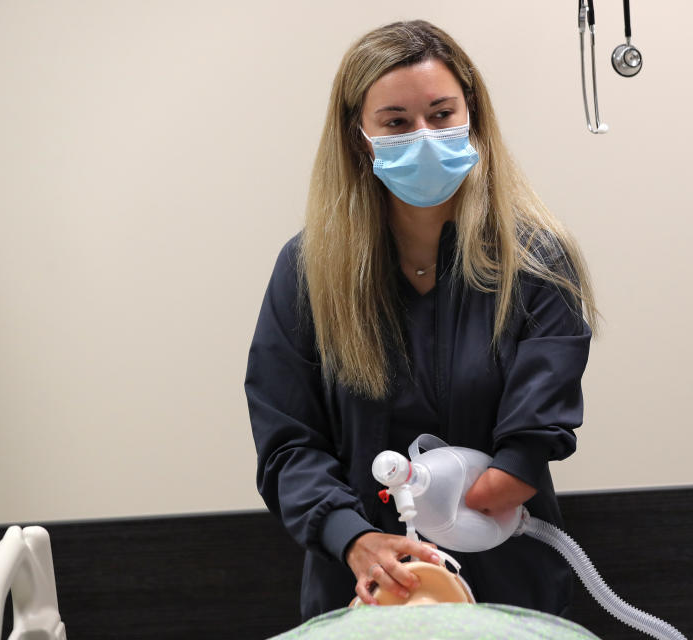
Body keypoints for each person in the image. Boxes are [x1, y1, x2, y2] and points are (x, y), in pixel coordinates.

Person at [245, 19, 596, 621]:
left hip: (506, 572)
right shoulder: (308, 272)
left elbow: (536, 430)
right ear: (360, 137)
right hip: (365, 585)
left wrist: (496, 486)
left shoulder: (536, 263)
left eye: (441, 114)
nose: (425, 136)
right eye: (397, 123)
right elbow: (288, 443)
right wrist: (354, 539)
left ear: (473, 117)